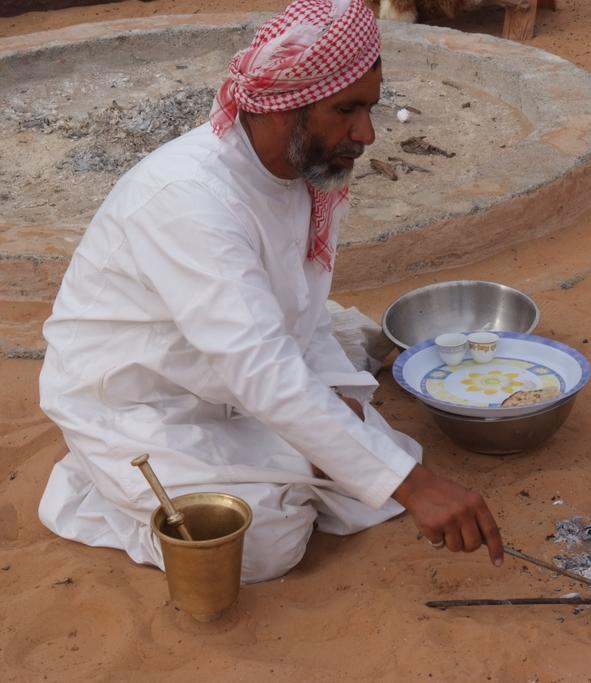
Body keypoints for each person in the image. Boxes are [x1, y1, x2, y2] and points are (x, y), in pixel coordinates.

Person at [36, 0, 503, 583]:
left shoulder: (302, 169)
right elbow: (261, 364)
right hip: (141, 403)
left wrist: (337, 399)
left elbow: (299, 314)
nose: (367, 134)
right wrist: (415, 487)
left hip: (237, 377)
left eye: (369, 109)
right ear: (285, 109)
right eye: (347, 110)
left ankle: (292, 441)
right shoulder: (190, 199)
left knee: (371, 479)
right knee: (261, 546)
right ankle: (95, 486)